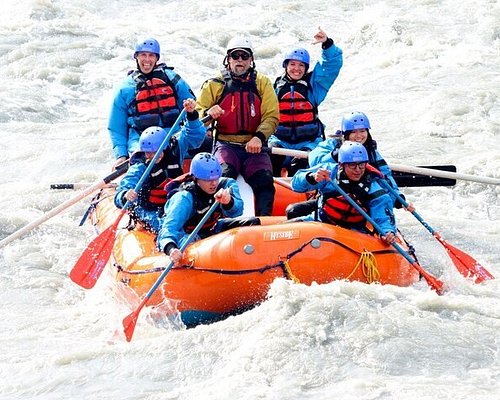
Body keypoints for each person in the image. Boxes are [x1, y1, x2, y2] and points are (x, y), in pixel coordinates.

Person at [196, 35, 279, 216]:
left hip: (254, 147)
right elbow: (197, 115)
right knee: (223, 178)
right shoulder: (214, 84)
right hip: (226, 145)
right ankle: (221, 221)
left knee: (265, 182)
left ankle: (263, 224)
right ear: (228, 60)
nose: (240, 60)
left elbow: (271, 116)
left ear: (251, 60)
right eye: (235, 56)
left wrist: (259, 137)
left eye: (244, 56)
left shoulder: (262, 83)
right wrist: (208, 115)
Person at [286, 111, 404, 219]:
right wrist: (334, 155)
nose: (358, 136)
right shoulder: (332, 145)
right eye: (353, 132)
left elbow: (386, 176)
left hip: (363, 199)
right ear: (345, 133)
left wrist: (397, 198)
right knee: (293, 211)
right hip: (334, 197)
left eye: (362, 131)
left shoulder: (372, 152)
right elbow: (315, 162)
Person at [114, 99, 206, 233]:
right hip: (148, 209)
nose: (151, 156)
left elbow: (195, 136)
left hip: (172, 201)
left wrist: (191, 115)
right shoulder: (140, 166)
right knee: (163, 226)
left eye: (155, 152)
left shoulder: (175, 148)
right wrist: (124, 195)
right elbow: (124, 188)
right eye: (148, 153)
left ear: (165, 147)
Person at [108, 38, 197, 170]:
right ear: (136, 57)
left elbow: (191, 107)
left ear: (157, 58)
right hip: (141, 139)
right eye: (143, 55)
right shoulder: (125, 88)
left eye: (151, 55)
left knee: (194, 146)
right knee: (145, 159)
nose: (147, 60)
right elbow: (116, 127)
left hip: (172, 133)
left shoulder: (172, 79)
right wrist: (121, 155)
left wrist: (193, 117)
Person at [157, 152, 260, 266]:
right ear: (196, 179)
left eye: (216, 178)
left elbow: (237, 212)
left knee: (253, 223)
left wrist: (228, 202)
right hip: (188, 235)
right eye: (207, 180)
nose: (214, 183)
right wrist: (171, 249)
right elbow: (169, 229)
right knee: (189, 240)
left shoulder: (227, 184)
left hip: (212, 228)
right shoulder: (184, 198)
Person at [268, 27, 343, 177]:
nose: (297, 69)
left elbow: (330, 67)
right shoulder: (273, 87)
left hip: (308, 142)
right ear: (286, 66)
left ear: (306, 68)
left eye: (301, 65)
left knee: (300, 163)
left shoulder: (314, 86)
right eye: (293, 64)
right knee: (272, 158)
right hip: (280, 140)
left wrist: (327, 44)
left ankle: (302, 185)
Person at [291, 141, 397, 244]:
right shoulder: (329, 172)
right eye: (352, 165)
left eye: (361, 165)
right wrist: (311, 178)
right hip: (321, 223)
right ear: (342, 165)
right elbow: (296, 185)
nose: (358, 170)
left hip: (354, 232)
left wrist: (387, 232)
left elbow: (383, 217)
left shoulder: (374, 188)